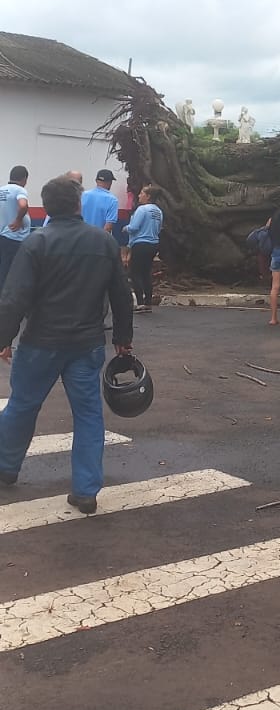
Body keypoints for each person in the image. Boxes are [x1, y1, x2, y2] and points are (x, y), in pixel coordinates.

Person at [0, 175, 133, 513]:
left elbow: (14, 298)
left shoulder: (36, 242)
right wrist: (122, 338)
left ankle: (5, 468)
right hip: (86, 344)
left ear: (47, 207)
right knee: (88, 416)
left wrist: (4, 339)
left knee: (22, 406)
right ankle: (86, 491)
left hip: (40, 343)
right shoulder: (103, 243)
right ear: (77, 205)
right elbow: (121, 294)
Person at [124, 185, 164, 312]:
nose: (139, 195)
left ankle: (140, 302)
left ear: (148, 196)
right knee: (146, 273)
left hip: (140, 243)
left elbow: (134, 227)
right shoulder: (158, 211)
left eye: (142, 193)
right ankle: (148, 302)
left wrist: (125, 228)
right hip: (153, 244)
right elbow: (159, 229)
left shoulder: (142, 210)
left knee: (135, 272)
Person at [0, 167, 30, 291]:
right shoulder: (20, 190)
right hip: (15, 237)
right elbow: (23, 205)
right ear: (24, 178)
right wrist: (18, 220)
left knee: (3, 268)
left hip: (2, 236)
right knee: (13, 271)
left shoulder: (1, 190)